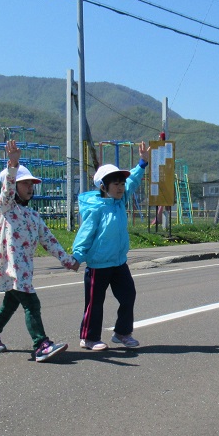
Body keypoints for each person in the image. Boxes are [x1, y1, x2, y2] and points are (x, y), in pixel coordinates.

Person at [0, 139, 79, 362]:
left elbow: (49, 241)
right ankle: (41, 344)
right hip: (13, 269)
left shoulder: (34, 216)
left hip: (25, 270)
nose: (30, 187)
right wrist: (13, 166)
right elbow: (6, 191)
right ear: (14, 185)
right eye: (24, 183)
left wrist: (67, 260)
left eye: (31, 184)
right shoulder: (6, 208)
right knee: (32, 304)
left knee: (10, 304)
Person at [72, 142, 152, 351]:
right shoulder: (96, 208)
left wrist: (142, 163)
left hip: (118, 262)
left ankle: (122, 333)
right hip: (98, 264)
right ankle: (89, 338)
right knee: (95, 303)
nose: (120, 186)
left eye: (121, 183)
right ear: (103, 186)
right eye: (115, 183)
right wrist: (77, 256)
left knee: (128, 295)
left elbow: (132, 181)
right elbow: (85, 233)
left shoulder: (119, 201)